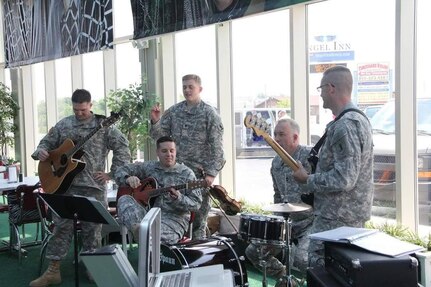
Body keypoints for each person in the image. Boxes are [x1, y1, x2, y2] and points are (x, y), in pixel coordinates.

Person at [29, 89, 131, 287]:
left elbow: (123, 148)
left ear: (90, 105)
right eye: (76, 110)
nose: (79, 113)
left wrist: (112, 173)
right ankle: (53, 271)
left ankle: (92, 267)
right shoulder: (65, 124)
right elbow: (45, 143)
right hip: (63, 187)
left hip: (93, 186)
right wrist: (40, 151)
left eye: (83, 110)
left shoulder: (103, 126)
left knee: (92, 230)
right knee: (61, 228)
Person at [293, 65, 374, 267]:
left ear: (331, 88)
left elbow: (345, 178)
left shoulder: (346, 125)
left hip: (337, 219)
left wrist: (307, 180)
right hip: (344, 217)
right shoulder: (357, 120)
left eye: (320, 89)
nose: (320, 95)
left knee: (320, 269)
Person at [150, 74, 225, 239]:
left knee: (198, 220)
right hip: (176, 175)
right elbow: (160, 139)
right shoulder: (175, 111)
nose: (187, 90)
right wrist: (155, 122)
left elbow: (218, 149)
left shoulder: (209, 114)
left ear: (200, 89)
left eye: (191, 87)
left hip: (198, 177)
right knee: (178, 219)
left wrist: (211, 174)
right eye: (184, 87)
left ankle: (199, 258)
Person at [245, 118, 313, 278]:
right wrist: (275, 227)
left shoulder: (310, 157)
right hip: (286, 224)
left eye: (282, 134)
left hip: (310, 223)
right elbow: (278, 197)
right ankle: (285, 278)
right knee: (254, 251)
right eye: (275, 134)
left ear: (295, 138)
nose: (277, 138)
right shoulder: (276, 163)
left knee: (303, 260)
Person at [114, 136, 202, 244]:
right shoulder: (149, 167)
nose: (169, 154)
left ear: (175, 152)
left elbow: (196, 204)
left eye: (172, 151)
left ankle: (143, 236)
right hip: (147, 214)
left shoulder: (187, 174)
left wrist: (179, 198)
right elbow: (120, 170)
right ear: (157, 152)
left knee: (152, 237)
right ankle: (138, 231)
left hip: (173, 219)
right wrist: (128, 178)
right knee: (124, 199)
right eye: (164, 151)